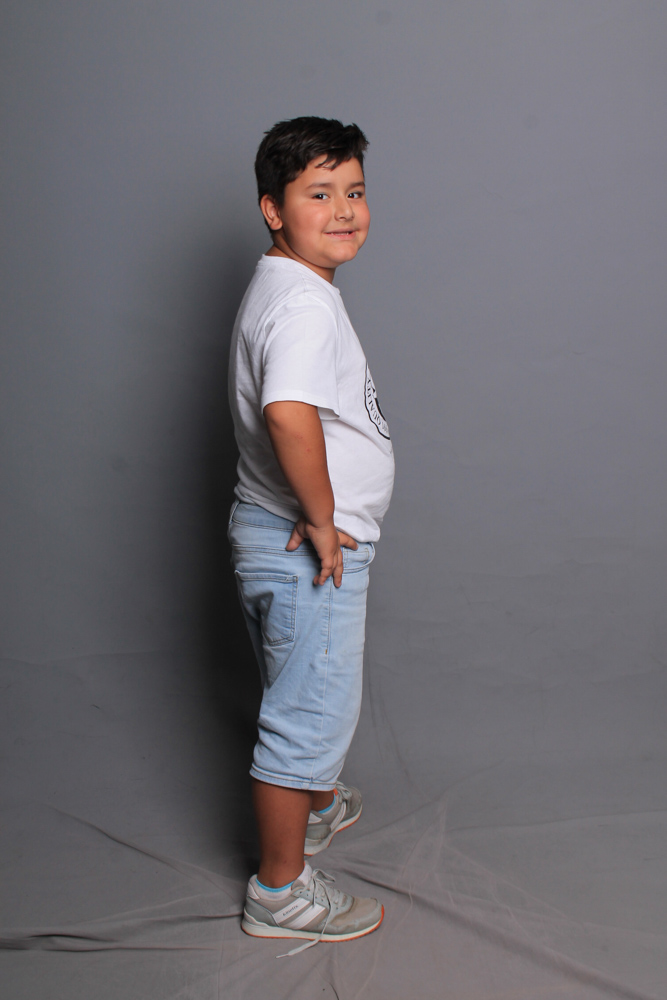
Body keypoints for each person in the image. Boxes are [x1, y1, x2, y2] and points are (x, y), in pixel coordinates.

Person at [227, 117, 394, 952]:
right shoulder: (303, 305)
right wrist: (325, 525)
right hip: (304, 547)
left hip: (266, 529)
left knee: (300, 689)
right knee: (306, 718)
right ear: (273, 209)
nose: (343, 211)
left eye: (353, 192)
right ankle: (280, 893)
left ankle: (318, 807)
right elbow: (288, 413)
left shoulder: (283, 281)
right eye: (318, 194)